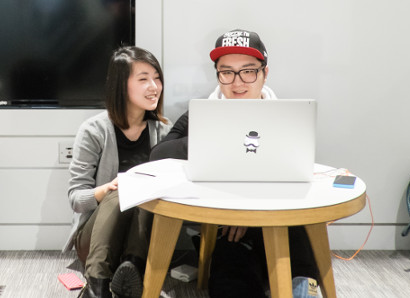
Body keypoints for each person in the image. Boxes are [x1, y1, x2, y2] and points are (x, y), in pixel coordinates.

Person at [150, 29, 321, 298]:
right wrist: (217, 139)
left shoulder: (285, 116)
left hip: (276, 217)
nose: (237, 82)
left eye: (249, 71)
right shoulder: (202, 112)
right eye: (226, 71)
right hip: (225, 224)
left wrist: (249, 209)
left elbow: (294, 171)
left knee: (298, 233)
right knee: (228, 273)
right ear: (217, 74)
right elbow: (159, 154)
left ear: (265, 73)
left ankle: (303, 288)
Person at [62, 46, 172, 298]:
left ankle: (131, 270)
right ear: (121, 85)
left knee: (147, 193)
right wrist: (108, 189)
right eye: (143, 79)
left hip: (142, 238)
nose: (154, 86)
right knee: (124, 188)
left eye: (157, 78)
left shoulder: (164, 132)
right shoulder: (93, 130)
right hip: (95, 238)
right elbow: (76, 200)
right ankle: (97, 283)